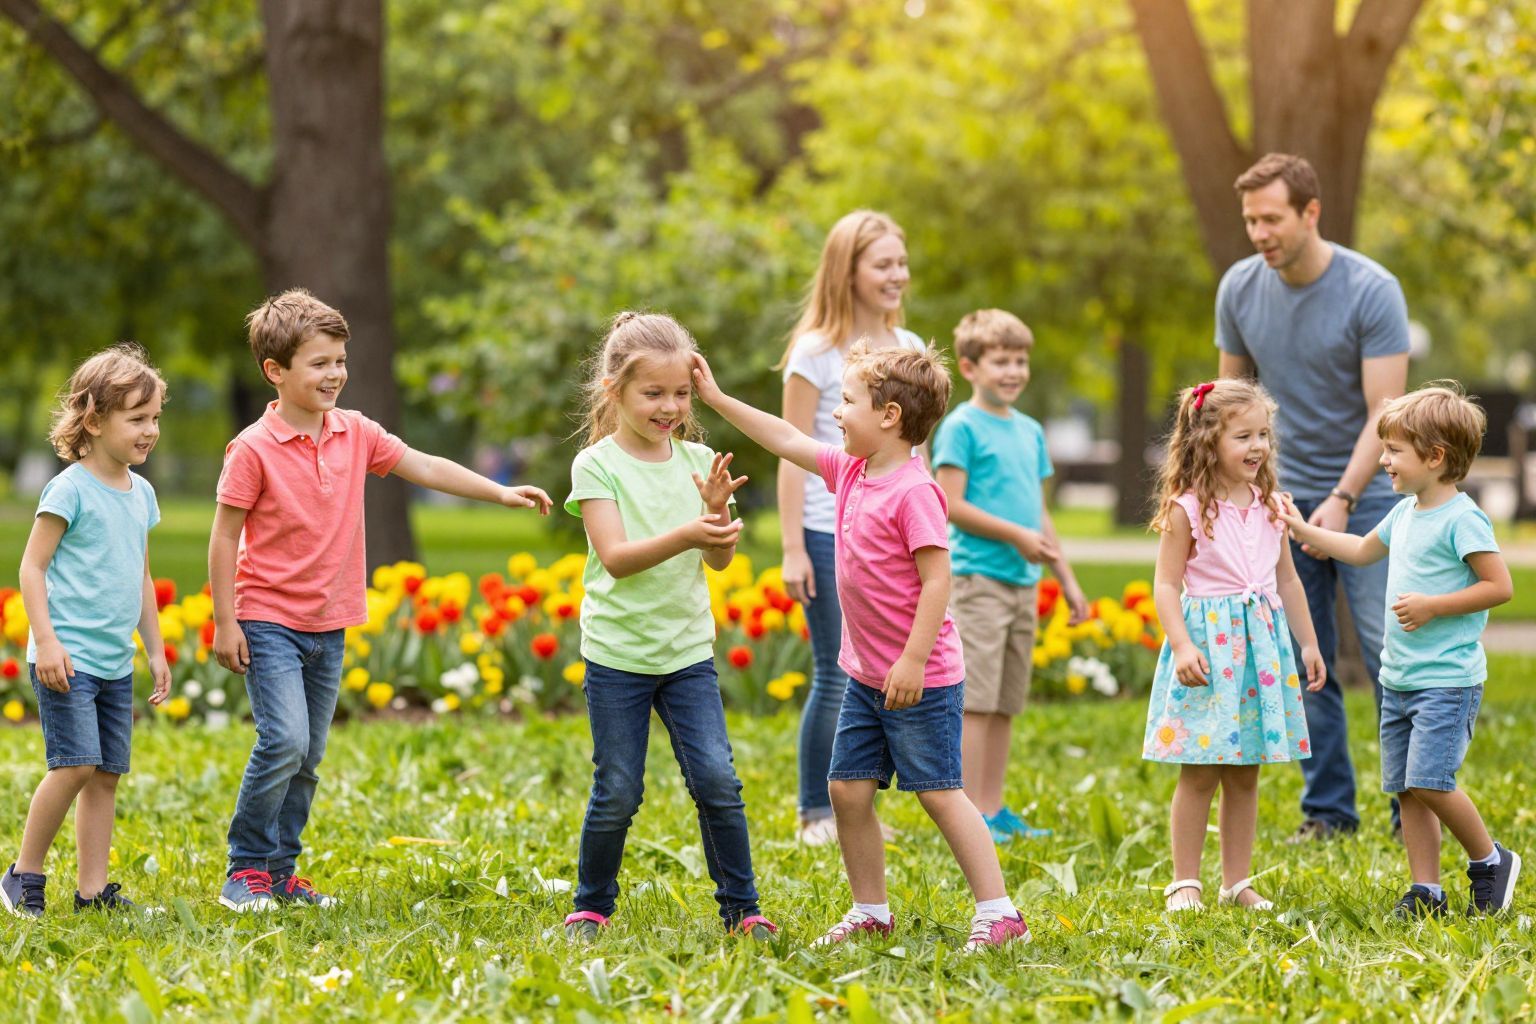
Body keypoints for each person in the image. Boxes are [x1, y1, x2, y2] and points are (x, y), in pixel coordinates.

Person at [211, 289, 552, 912]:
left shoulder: (355, 432)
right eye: (319, 363)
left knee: (309, 754)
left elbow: (424, 466)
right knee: (283, 741)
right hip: (268, 618)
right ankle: (245, 868)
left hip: (330, 619)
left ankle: (282, 874)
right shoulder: (253, 449)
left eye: (340, 360)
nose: (335, 373)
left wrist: (498, 494)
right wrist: (226, 621)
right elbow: (224, 536)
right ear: (275, 371)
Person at [692, 343, 1030, 951]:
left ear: (890, 416)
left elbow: (937, 581)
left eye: (847, 401)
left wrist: (912, 660)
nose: (836, 414)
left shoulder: (914, 491)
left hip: (920, 677)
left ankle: (1000, 910)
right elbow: (784, 438)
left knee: (940, 793)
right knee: (846, 789)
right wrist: (715, 399)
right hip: (866, 676)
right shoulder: (851, 470)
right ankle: (870, 909)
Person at [561, 312, 776, 942]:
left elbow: (717, 558)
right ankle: (592, 904)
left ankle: (742, 909)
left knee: (717, 780)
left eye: (680, 393)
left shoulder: (702, 460)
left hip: (686, 652)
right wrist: (687, 530)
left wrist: (713, 517)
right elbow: (619, 560)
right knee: (620, 789)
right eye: (653, 393)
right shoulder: (595, 466)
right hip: (618, 655)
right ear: (615, 391)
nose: (670, 406)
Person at [1216, 152, 1410, 842]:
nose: (1260, 233)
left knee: (1392, 654)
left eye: (1272, 219)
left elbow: (1386, 413)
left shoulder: (1371, 290)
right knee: (1304, 656)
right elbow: (1228, 405)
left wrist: (1343, 498)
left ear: (1310, 213)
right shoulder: (1239, 288)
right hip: (1283, 502)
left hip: (1374, 499)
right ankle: (1328, 810)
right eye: (1250, 221)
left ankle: (1409, 805)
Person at [1278, 383, 1518, 917]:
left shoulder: (1463, 518)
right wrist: (1299, 528)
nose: (1382, 459)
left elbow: (1499, 587)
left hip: (1447, 680)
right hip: (1400, 678)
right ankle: (1426, 890)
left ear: (1435, 458)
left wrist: (1434, 605)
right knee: (1407, 790)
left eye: (1394, 451)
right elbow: (1362, 550)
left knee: (1430, 781)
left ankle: (1490, 859)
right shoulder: (1405, 511)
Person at [2, 345, 172, 918]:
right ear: (94, 420)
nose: (150, 430)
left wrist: (155, 648)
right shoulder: (69, 488)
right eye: (137, 418)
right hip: (67, 657)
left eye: (154, 418)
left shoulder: (142, 494)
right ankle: (23, 874)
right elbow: (32, 567)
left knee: (104, 775)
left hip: (114, 660)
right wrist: (46, 641)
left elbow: (140, 576)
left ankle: (93, 891)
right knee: (73, 764)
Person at [776, 210, 927, 846]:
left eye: (901, 262)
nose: (898, 275)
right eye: (883, 264)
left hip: (892, 535)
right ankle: (816, 810)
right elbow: (790, 447)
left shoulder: (912, 347)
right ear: (850, 271)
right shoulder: (814, 354)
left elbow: (918, 455)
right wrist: (792, 547)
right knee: (838, 672)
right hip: (824, 529)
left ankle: (858, 810)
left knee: (881, 669)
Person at [1145, 379, 1325, 912]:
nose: (1258, 447)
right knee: (1200, 771)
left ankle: (1236, 881)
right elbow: (1164, 584)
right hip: (1209, 651)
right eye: (1243, 436)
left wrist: (1308, 643)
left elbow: (1288, 580)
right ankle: (1185, 882)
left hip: (1261, 654)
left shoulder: (1273, 505)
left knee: (1246, 772)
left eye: (1264, 435)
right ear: (1206, 441)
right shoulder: (1188, 507)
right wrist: (1180, 645)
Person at [931, 309, 1087, 843]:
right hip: (979, 581)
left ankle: (993, 810)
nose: (1014, 371)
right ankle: (969, 814)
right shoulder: (962, 426)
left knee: (1005, 702)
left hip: (1023, 584)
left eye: (1020, 360)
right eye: (1001, 361)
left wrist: (1065, 578)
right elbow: (948, 503)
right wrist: (1013, 536)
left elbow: (1038, 517)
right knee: (976, 701)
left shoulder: (1031, 431)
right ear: (971, 368)